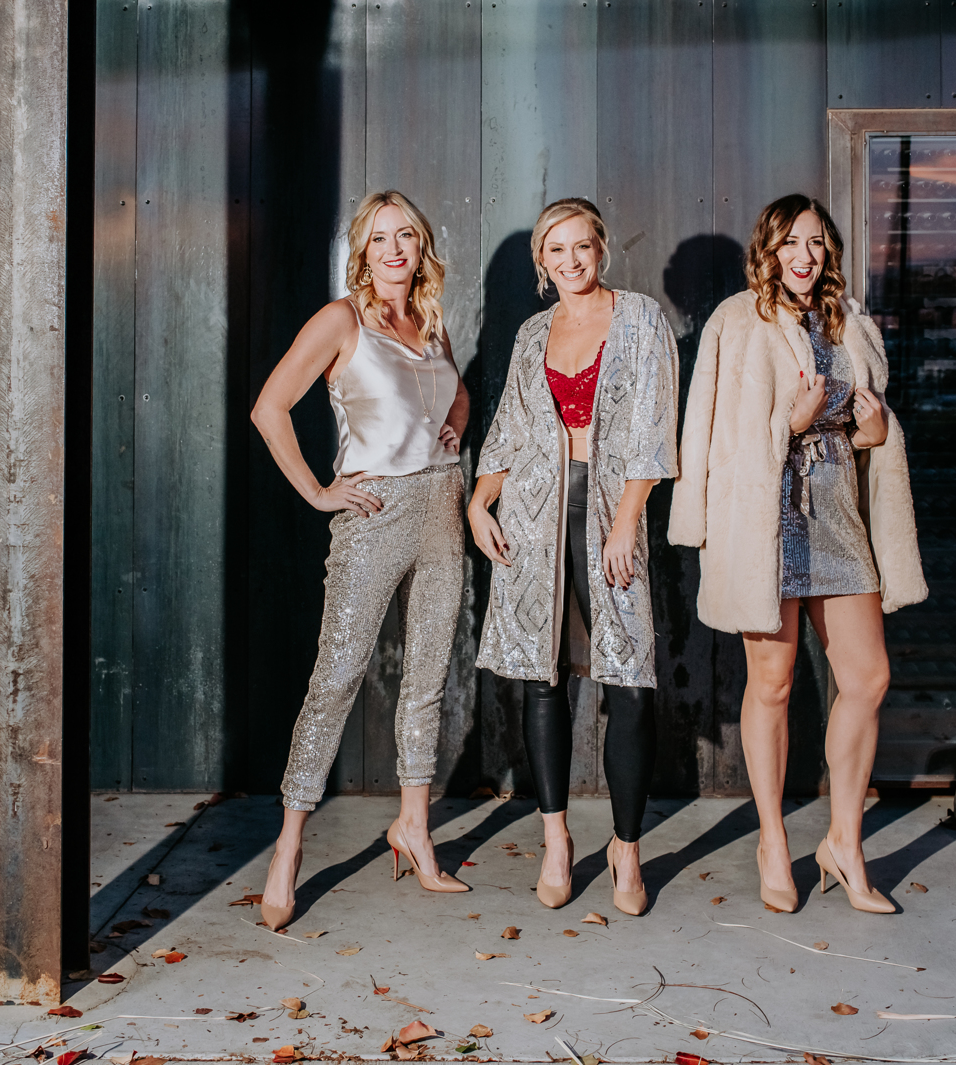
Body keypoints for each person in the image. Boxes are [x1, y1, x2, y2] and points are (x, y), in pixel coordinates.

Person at [668, 194, 927, 915]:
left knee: (868, 677)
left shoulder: (852, 323)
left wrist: (875, 432)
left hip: (839, 518)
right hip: (767, 521)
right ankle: (773, 839)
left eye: (815, 243)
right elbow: (708, 432)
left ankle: (844, 842)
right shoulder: (735, 321)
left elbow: (869, 427)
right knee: (774, 684)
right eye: (790, 244)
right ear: (768, 250)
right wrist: (789, 421)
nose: (804, 257)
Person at [250, 190, 473, 931]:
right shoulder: (341, 318)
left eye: (407, 235)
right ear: (363, 249)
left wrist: (453, 432)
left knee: (428, 677)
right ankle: (287, 849)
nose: (396, 250)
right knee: (338, 676)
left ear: (422, 245)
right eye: (381, 239)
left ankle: (414, 827)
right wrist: (317, 490)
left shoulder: (430, 320)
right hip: (374, 517)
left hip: (443, 509)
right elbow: (269, 406)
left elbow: (458, 397)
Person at [468, 198, 679, 916]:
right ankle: (556, 840)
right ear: (541, 262)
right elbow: (509, 425)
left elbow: (654, 424)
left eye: (580, 246)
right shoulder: (533, 333)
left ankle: (625, 848)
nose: (569, 261)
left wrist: (626, 520)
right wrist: (478, 500)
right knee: (542, 674)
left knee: (629, 678)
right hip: (533, 511)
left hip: (609, 505)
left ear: (602, 247)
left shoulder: (641, 318)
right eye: (554, 251)